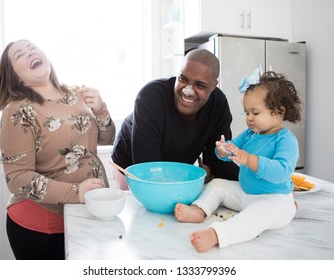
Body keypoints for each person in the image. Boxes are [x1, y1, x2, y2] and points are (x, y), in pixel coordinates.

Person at [0, 40, 115, 259]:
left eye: (32, 48)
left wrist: (101, 109)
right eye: (19, 55)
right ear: (15, 77)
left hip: (86, 214)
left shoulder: (76, 93)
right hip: (43, 225)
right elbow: (17, 178)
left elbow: (106, 138)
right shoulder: (17, 111)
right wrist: (77, 193)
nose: (30, 53)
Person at [174, 69, 301, 252]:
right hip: (245, 194)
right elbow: (232, 147)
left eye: (255, 113)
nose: (249, 118)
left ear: (279, 112)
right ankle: (199, 210)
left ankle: (217, 234)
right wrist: (222, 150)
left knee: (258, 215)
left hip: (274, 200)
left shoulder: (285, 140)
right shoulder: (250, 134)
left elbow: (281, 172)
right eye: (247, 112)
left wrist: (248, 159)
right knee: (217, 185)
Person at [111, 49, 239, 189]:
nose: (188, 91)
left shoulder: (218, 104)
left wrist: (250, 181)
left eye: (200, 85)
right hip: (132, 165)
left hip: (175, 167)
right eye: (183, 79)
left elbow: (218, 161)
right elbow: (148, 169)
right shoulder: (151, 97)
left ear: (214, 86)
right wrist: (194, 176)